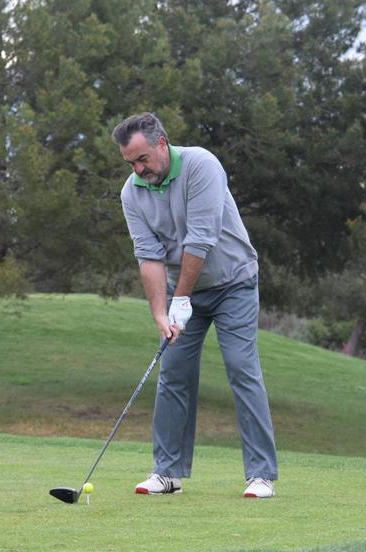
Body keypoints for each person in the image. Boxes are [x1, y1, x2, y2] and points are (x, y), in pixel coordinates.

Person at [114, 112, 279, 498]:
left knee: (241, 367)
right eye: (131, 163)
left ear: (161, 143)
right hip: (181, 288)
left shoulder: (201, 165)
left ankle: (261, 474)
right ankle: (168, 473)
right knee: (173, 373)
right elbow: (149, 256)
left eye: (143, 159)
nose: (139, 169)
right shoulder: (131, 193)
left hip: (234, 282)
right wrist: (160, 311)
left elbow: (200, 239)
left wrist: (182, 298)